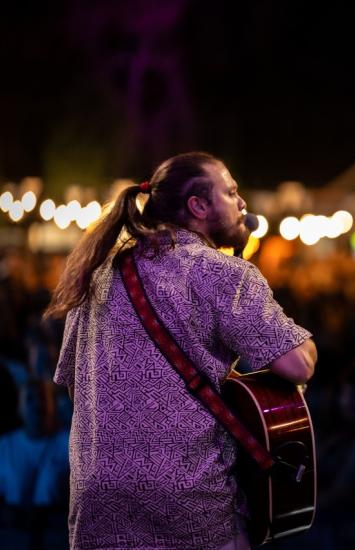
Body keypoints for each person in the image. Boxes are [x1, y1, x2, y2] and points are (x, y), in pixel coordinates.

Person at [45, 152, 317, 549]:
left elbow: (74, 384)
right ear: (198, 206)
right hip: (189, 503)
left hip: (97, 502)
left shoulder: (99, 273)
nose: (243, 204)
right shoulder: (220, 272)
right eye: (231, 192)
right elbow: (298, 364)